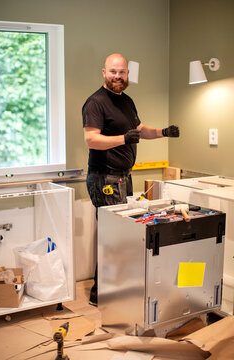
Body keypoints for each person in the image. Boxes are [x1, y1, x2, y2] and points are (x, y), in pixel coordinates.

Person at [82, 53, 179, 306]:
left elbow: (139, 129)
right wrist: (124, 139)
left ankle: (115, 289)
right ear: (104, 72)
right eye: (113, 72)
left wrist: (163, 132)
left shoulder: (126, 101)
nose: (117, 76)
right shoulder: (96, 102)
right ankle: (101, 293)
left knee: (122, 234)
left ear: (127, 74)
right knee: (113, 236)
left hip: (124, 177)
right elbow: (92, 139)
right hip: (105, 177)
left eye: (122, 72)